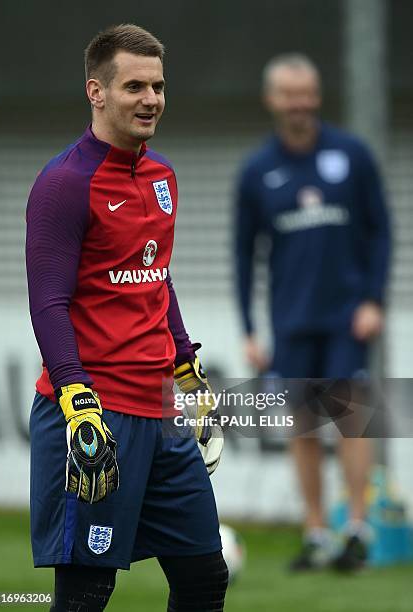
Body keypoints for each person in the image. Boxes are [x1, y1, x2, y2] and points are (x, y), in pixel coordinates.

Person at [26, 23, 227, 611]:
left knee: (204, 578)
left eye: (158, 87)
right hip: (97, 412)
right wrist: (75, 399)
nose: (151, 100)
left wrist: (187, 369)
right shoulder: (64, 184)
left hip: (161, 411)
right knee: (87, 592)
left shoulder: (162, 177)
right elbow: (48, 304)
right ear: (96, 91)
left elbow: (156, 277)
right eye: (134, 86)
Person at [234, 54, 391, 571]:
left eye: (307, 93)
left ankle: (358, 530)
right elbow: (242, 252)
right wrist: (250, 327)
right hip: (291, 317)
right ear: (272, 100)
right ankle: (317, 531)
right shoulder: (257, 171)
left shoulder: (352, 155)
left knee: (351, 420)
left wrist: (373, 299)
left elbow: (380, 231)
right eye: (289, 94)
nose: (299, 103)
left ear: (317, 96)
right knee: (301, 426)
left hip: (347, 314)